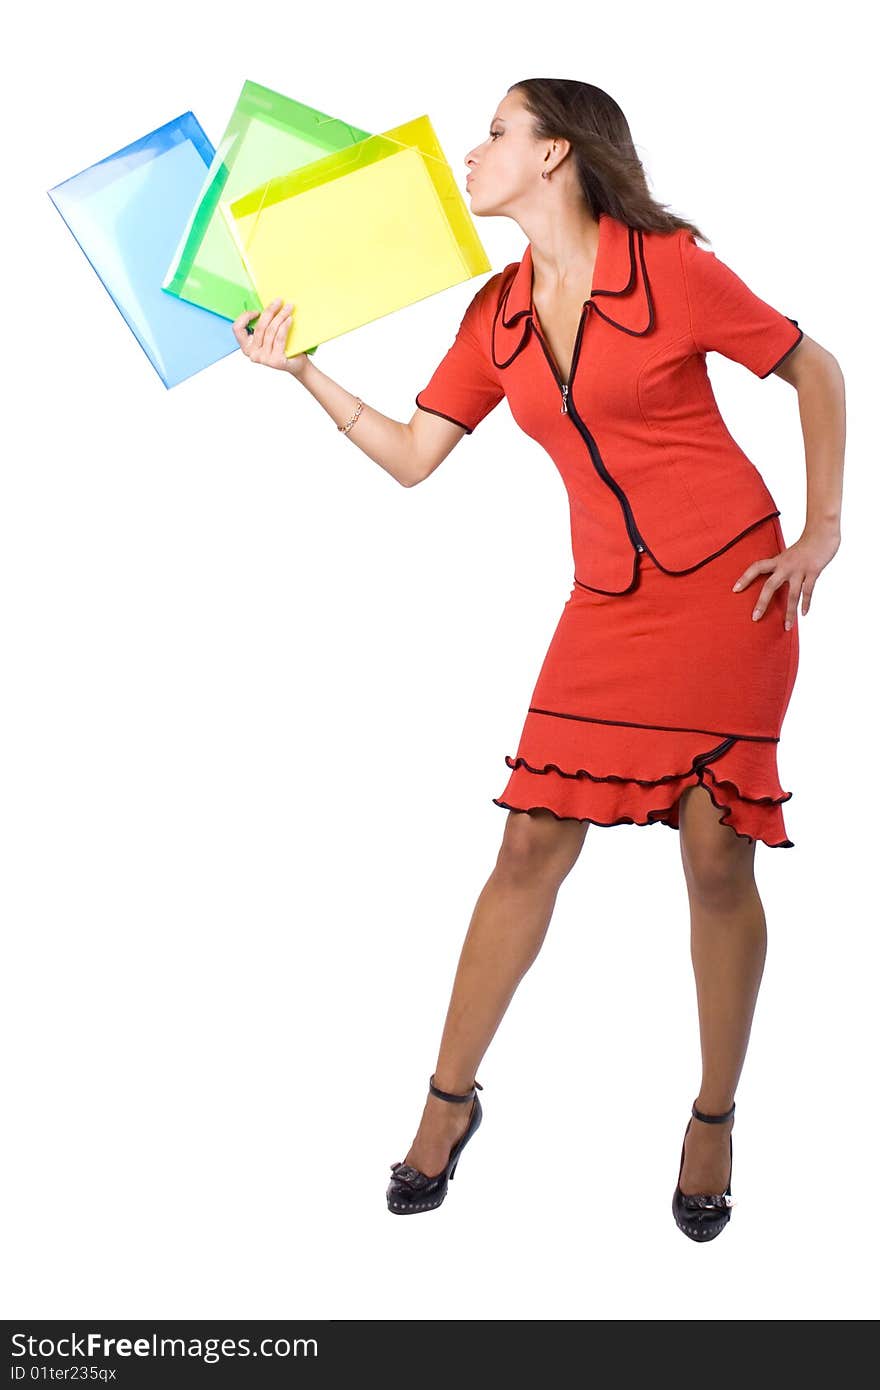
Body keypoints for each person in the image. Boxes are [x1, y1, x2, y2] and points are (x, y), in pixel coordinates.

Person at [231, 79, 845, 1241]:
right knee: (526, 841)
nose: (472, 151)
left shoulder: (669, 268)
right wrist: (303, 369)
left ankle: (712, 1114)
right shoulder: (496, 313)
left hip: (727, 588)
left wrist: (820, 529)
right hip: (605, 607)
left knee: (717, 860)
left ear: (555, 155)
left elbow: (815, 366)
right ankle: (445, 1103)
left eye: (496, 132)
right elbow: (415, 455)